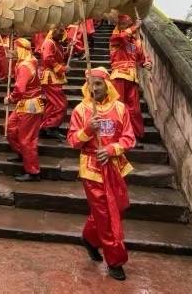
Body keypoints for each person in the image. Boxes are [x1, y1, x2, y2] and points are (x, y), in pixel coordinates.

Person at [67, 66, 135, 281]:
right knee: (106, 215)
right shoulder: (81, 110)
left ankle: (89, 237)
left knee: (120, 207)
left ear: (107, 85)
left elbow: (128, 138)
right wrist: (87, 129)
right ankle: (115, 261)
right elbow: (73, 141)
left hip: (115, 166)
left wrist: (111, 149)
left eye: (98, 84)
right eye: (91, 84)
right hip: (92, 170)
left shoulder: (120, 108)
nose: (94, 88)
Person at [4, 38, 45, 182]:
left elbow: (20, 89)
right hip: (24, 104)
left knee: (27, 139)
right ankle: (23, 154)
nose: (13, 51)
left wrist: (10, 98)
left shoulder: (25, 66)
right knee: (11, 128)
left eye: (15, 49)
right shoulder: (30, 60)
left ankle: (33, 171)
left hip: (29, 105)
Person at [109, 15, 152, 140]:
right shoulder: (116, 37)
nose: (128, 26)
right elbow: (120, 37)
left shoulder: (135, 41)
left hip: (132, 79)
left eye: (129, 24)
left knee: (135, 110)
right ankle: (117, 135)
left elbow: (141, 58)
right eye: (126, 24)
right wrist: (135, 27)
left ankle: (134, 135)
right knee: (118, 107)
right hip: (119, 77)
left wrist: (147, 63)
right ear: (120, 25)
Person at [39, 28, 68, 141]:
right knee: (60, 104)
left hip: (54, 77)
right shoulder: (49, 42)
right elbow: (48, 59)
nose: (61, 35)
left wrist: (69, 48)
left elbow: (58, 56)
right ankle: (51, 126)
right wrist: (62, 68)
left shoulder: (57, 44)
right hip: (50, 77)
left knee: (52, 104)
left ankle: (46, 126)